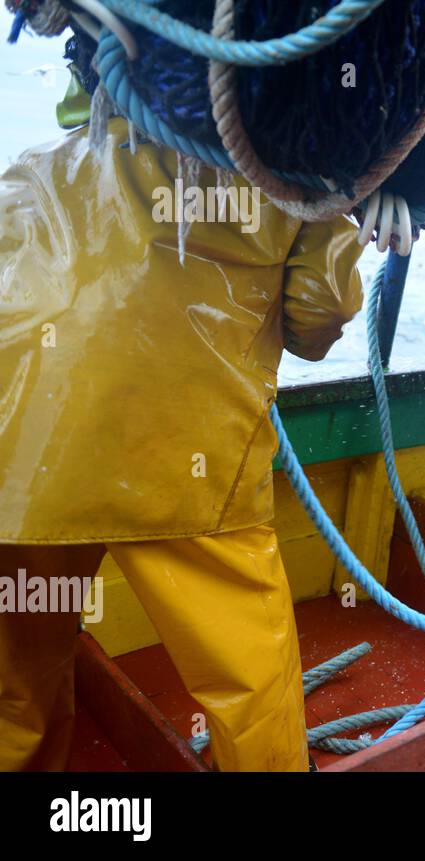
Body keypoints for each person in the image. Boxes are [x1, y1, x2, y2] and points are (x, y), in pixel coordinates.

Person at [0, 108, 364, 771]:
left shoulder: (40, 161)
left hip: (25, 454)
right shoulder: (305, 181)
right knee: (248, 676)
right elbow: (318, 318)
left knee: (16, 665)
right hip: (189, 462)